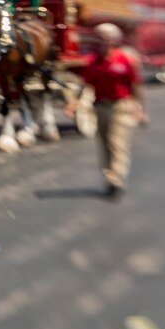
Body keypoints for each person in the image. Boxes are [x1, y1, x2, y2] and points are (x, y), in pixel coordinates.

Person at [65, 23, 149, 199]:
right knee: (104, 143)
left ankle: (116, 178)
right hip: (101, 106)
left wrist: (141, 108)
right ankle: (109, 174)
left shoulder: (125, 59)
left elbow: (135, 86)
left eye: (102, 37)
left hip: (122, 107)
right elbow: (85, 84)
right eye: (97, 37)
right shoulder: (93, 61)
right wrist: (75, 103)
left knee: (117, 142)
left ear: (113, 40)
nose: (98, 41)